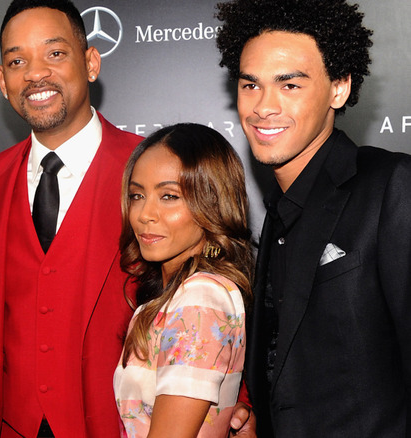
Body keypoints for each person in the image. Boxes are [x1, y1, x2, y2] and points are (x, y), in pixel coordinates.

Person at [216, 0, 411, 436]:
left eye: (290, 86)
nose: (263, 107)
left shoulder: (391, 186)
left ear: (338, 89)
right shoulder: (275, 216)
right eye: (251, 86)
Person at [0, 1, 143, 437]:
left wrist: (237, 401)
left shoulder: (152, 165)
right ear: (3, 82)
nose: (35, 73)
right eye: (17, 61)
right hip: (9, 423)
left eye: (55, 54)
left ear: (91, 63)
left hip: (121, 423)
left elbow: (202, 296)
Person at [114, 124, 254, 438]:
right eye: (137, 195)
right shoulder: (181, 295)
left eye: (169, 196)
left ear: (211, 203)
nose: (145, 214)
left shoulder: (200, 298)